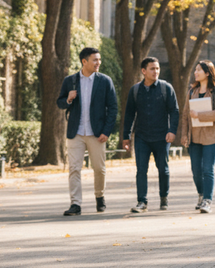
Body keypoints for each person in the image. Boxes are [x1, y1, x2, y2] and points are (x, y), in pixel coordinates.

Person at [56, 47, 118, 216]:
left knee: (99, 169)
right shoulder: (70, 81)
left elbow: (113, 108)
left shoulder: (105, 81)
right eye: (95, 60)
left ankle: (100, 196)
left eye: (99, 59)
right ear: (84, 61)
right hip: (75, 132)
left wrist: (106, 131)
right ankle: (75, 204)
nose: (98, 63)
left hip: (97, 134)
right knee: (74, 169)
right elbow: (60, 103)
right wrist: (69, 99)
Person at [122, 57, 179, 213]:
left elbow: (174, 111)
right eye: (152, 69)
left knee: (163, 169)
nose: (156, 71)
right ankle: (142, 202)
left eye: (157, 68)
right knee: (141, 170)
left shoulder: (166, 88)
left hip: (162, 137)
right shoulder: (135, 90)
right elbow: (129, 114)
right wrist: (126, 136)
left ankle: (164, 198)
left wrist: (172, 131)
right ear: (144, 71)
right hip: (142, 137)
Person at [179, 60, 215, 214]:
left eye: (199, 70)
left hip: (212, 137)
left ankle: (207, 200)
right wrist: (184, 134)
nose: (195, 72)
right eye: (195, 70)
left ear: (207, 73)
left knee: (207, 169)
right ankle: (201, 194)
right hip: (194, 137)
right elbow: (185, 115)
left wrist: (199, 115)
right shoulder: (192, 92)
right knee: (196, 171)